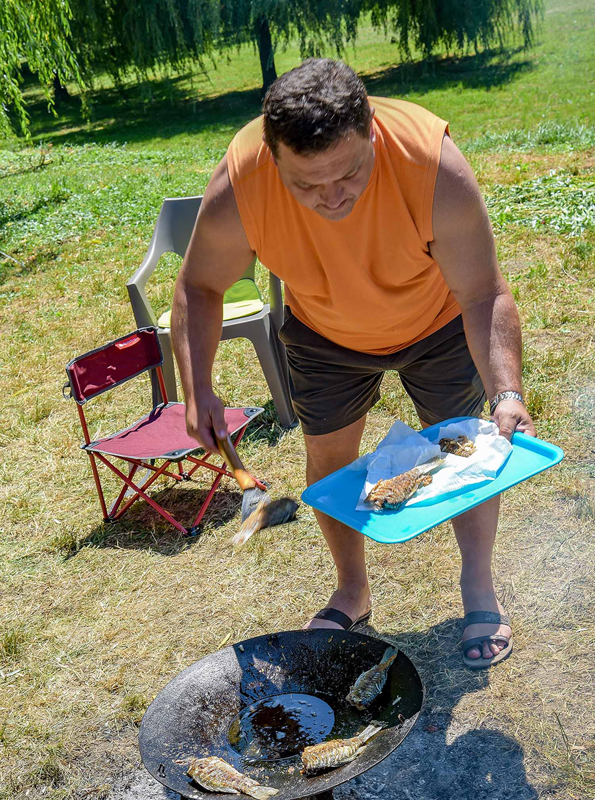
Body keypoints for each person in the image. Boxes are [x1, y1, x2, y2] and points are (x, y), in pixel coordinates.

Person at [171, 58, 536, 669]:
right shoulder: (243, 182)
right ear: (273, 156)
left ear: (372, 133)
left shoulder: (428, 162)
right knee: (329, 466)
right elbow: (200, 285)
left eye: (348, 175)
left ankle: (479, 589)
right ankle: (351, 590)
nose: (331, 198)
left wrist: (505, 391)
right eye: (306, 185)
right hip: (323, 328)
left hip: (438, 319)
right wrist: (196, 387)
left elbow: (484, 293)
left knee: (465, 449)